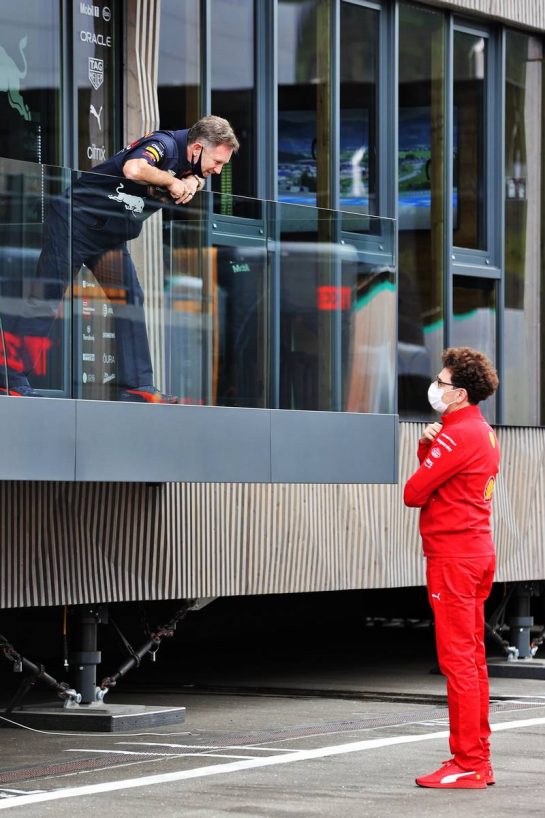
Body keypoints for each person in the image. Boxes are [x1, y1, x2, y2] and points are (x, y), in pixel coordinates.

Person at [0, 115, 239, 402]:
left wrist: (193, 179)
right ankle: (10, 378)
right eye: (217, 162)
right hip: (73, 222)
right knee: (48, 296)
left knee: (130, 297)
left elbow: (196, 177)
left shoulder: (192, 161)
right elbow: (134, 168)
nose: (218, 169)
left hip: (107, 235)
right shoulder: (163, 145)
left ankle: (138, 385)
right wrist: (171, 182)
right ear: (198, 148)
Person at [403, 347, 500, 790]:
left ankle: (469, 763)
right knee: (473, 659)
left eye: (441, 383)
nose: (435, 388)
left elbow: (415, 492)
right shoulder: (481, 430)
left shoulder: (457, 434)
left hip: (454, 557)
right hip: (475, 552)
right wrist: (431, 445)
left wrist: (426, 447)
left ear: (459, 393)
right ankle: (478, 758)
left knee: (458, 661)